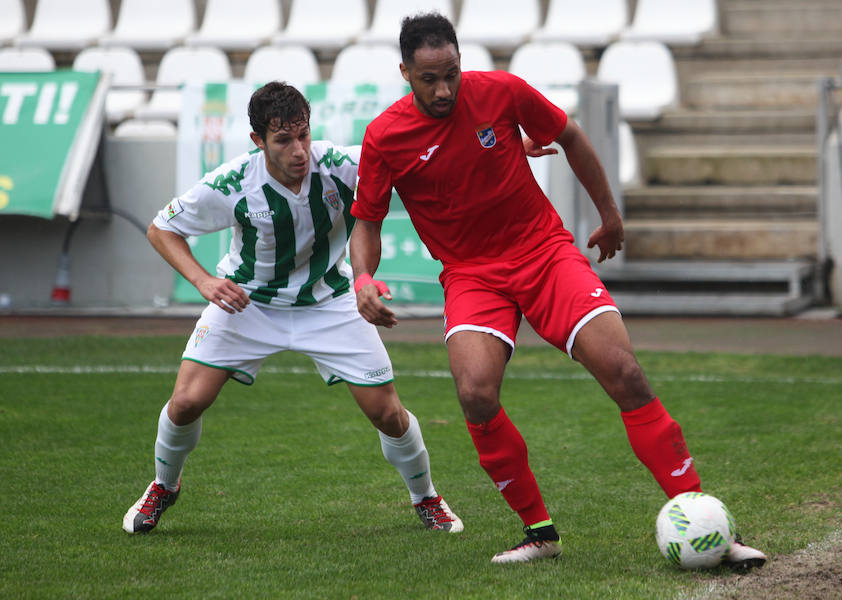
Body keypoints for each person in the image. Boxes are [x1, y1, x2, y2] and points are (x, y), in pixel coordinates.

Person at [349, 13, 766, 567]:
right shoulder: (384, 136)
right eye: (429, 78)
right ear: (405, 72)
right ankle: (539, 532)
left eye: (451, 73)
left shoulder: (500, 91)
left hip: (543, 252)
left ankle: (709, 524)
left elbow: (567, 135)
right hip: (471, 273)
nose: (444, 88)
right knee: (475, 393)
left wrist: (610, 214)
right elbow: (367, 220)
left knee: (625, 374)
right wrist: (363, 277)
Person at [122, 81, 462, 536]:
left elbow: (426, 156)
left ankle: (427, 498)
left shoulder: (341, 166)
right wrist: (204, 280)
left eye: (303, 134)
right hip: (249, 305)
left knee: (388, 414)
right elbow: (162, 228)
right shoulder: (233, 183)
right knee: (186, 403)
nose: (299, 149)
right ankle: (164, 485)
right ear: (258, 141)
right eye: (283, 140)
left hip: (329, 301)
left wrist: (511, 145)